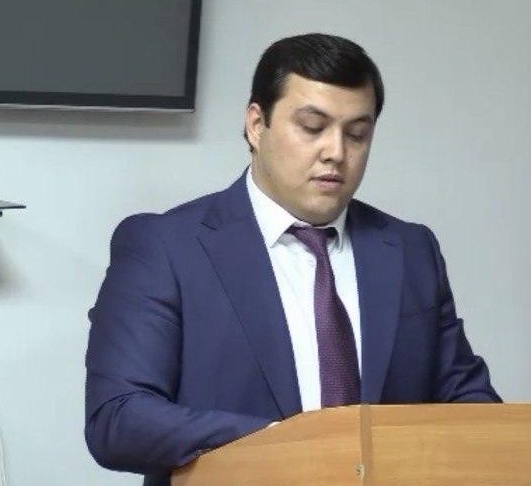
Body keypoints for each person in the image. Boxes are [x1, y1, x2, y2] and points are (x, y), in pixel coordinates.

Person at [84, 33, 500, 485]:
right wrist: (290, 445)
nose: (336, 152)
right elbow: (119, 419)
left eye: (357, 134)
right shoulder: (166, 246)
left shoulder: (411, 250)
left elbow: (469, 404)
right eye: (313, 127)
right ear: (256, 125)